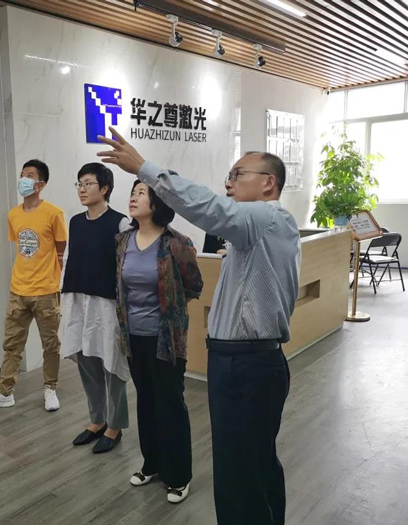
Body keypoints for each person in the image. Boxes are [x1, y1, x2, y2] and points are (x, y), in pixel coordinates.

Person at [98, 127, 300, 525]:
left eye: (238, 174)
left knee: (239, 473)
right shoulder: (254, 232)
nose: (228, 183)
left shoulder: (267, 217)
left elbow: (209, 208)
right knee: (252, 465)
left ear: (268, 183)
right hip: (241, 362)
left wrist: (144, 168)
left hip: (247, 365)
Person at [116, 179, 204, 504]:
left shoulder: (176, 243)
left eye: (141, 193)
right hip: (133, 336)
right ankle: (151, 463)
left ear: (158, 202)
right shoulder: (123, 241)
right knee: (146, 401)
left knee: (170, 404)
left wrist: (171, 314)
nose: (133, 197)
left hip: (166, 338)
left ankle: (178, 475)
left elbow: (194, 286)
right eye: (133, 192)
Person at [0, 160, 67, 412]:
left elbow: (61, 250)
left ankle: (50, 388)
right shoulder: (13, 214)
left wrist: (53, 279)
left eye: (30, 175)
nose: (23, 179)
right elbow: (21, 248)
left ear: (41, 184)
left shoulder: (53, 213)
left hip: (46, 290)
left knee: (50, 344)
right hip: (18, 290)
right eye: (22, 174)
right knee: (12, 344)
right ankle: (4, 392)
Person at [61, 163, 130, 454]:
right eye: (79, 184)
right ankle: (97, 420)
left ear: (105, 188)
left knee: (111, 363)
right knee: (86, 360)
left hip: (107, 303)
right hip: (79, 299)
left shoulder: (120, 222)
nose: (82, 189)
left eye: (88, 183)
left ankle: (115, 425)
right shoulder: (76, 221)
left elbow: (126, 266)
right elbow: (69, 259)